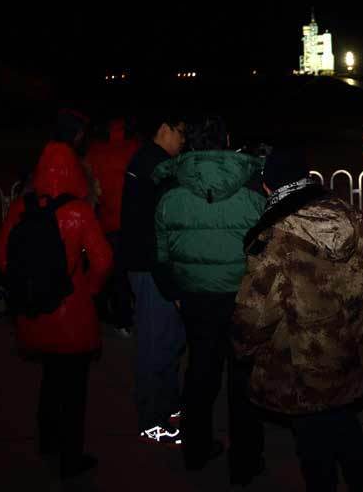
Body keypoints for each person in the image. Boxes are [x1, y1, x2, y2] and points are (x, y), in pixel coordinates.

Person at [234, 147, 363, 492]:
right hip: (347, 348)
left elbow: (256, 312)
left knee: (314, 446)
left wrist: (240, 345)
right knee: (343, 422)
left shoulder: (274, 236)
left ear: (268, 188)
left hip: (301, 361)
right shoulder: (349, 214)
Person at [0, 141, 113, 479]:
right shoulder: (79, 211)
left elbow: (0, 258)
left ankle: (47, 441)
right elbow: (103, 261)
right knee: (73, 390)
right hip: (72, 316)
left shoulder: (21, 207)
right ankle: (71, 459)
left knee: (49, 378)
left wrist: (28, 283)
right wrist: (86, 289)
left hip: (35, 313)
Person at [153, 116, 266, 478]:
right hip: (240, 297)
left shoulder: (169, 190)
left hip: (194, 298)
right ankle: (245, 462)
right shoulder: (252, 190)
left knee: (200, 371)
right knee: (243, 376)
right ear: (227, 140)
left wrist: (175, 292)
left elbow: (161, 252)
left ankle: (196, 450)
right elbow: (265, 250)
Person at [120, 112, 187, 446]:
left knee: (167, 340)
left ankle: (168, 406)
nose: (183, 141)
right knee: (156, 344)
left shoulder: (144, 159)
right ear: (164, 128)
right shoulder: (157, 166)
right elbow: (159, 230)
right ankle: (153, 421)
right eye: (181, 134)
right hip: (151, 269)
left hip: (145, 265)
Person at [85, 117, 140, 336]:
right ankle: (126, 317)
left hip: (105, 221)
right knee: (127, 272)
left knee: (110, 270)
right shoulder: (134, 148)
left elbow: (90, 185)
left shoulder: (95, 151)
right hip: (130, 221)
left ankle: (113, 315)